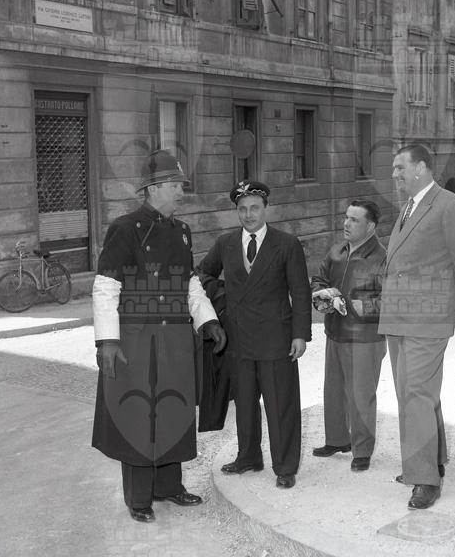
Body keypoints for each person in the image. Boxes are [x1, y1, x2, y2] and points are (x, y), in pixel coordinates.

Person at [92, 150, 226, 523]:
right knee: (137, 415)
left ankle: (169, 486)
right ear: (154, 188)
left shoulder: (181, 231)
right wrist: (108, 341)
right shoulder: (124, 229)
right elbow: (106, 286)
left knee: (172, 411)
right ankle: (139, 498)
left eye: (180, 185)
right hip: (136, 340)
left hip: (174, 341)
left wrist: (207, 320)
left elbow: (189, 282)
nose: (181, 192)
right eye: (175, 185)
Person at [378, 144, 455, 510]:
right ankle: (426, 462)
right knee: (410, 394)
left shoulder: (451, 207)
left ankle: (425, 480)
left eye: (400, 167)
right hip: (399, 317)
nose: (394, 174)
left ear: (421, 167)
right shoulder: (409, 208)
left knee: (418, 396)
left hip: (427, 318)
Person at [197, 180, 311, 489]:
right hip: (240, 339)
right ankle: (248, 456)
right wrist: (223, 294)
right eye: (242, 209)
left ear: (265, 209)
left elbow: (300, 292)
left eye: (254, 208)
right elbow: (201, 274)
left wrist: (300, 335)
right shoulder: (225, 243)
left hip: (276, 340)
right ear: (237, 211)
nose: (249, 215)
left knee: (281, 405)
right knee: (245, 404)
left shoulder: (286, 244)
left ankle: (285, 466)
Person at [310, 200, 387, 472]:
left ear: (371, 226)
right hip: (335, 332)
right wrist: (323, 295)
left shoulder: (383, 258)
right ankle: (337, 440)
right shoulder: (337, 251)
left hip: (366, 338)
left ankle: (362, 450)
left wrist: (353, 304)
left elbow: (391, 301)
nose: (346, 223)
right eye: (346, 217)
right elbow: (318, 280)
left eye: (354, 220)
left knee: (361, 396)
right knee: (333, 391)